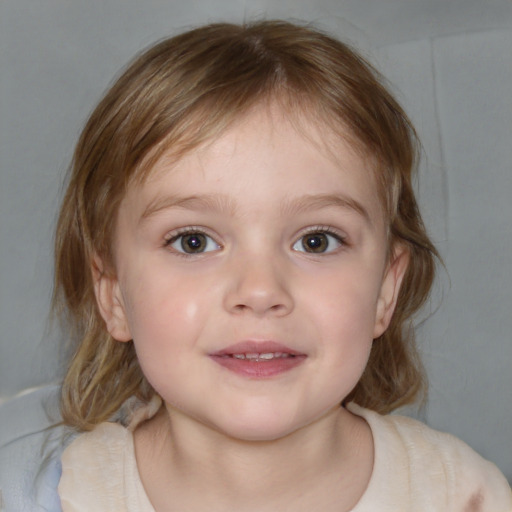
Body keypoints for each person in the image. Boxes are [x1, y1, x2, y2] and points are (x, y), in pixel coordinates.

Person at [46, 20, 512, 511]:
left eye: (315, 241)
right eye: (193, 241)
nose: (261, 289)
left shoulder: (463, 497)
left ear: (386, 289)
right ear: (112, 291)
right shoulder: (50, 498)